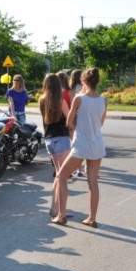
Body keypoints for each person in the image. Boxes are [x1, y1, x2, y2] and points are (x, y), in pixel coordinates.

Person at [51, 67, 107, 228]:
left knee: (61, 177)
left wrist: (77, 123)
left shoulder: (79, 98)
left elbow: (69, 122)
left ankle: (61, 215)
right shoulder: (104, 100)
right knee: (93, 182)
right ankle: (92, 218)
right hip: (97, 144)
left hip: (81, 144)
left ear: (83, 81)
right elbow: (101, 123)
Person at [39, 73, 71, 218]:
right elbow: (69, 120)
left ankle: (54, 207)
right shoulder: (60, 100)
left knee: (58, 175)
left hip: (49, 140)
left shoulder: (42, 100)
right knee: (62, 177)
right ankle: (60, 210)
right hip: (61, 139)